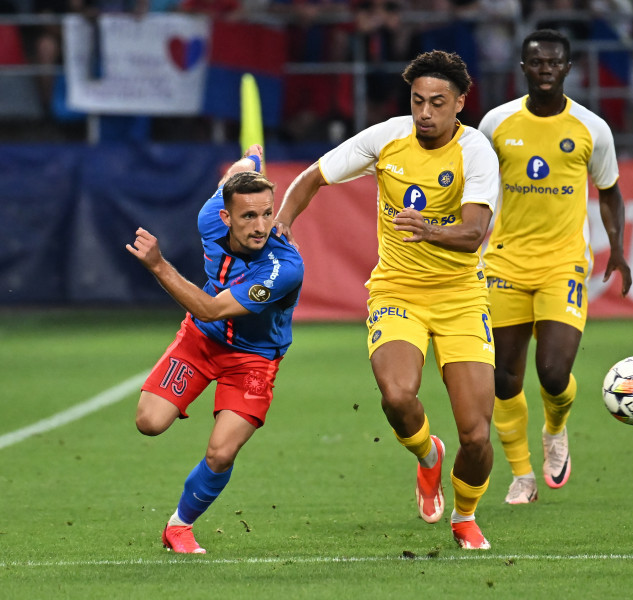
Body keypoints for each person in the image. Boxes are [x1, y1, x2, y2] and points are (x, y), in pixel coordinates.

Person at [274, 50, 500, 550]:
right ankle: (427, 457)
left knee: (478, 437)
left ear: (460, 103)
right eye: (418, 101)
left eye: (437, 103)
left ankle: (465, 517)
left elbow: (474, 234)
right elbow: (313, 177)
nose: (425, 112)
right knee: (398, 396)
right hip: (397, 289)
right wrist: (284, 220)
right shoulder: (387, 137)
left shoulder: (476, 152)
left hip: (461, 296)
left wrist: (430, 229)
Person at [477, 29, 632, 505]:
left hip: (563, 265)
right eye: (536, 62)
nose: (545, 69)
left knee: (552, 373)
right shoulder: (496, 123)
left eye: (554, 63)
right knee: (504, 377)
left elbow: (609, 193)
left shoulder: (591, 128)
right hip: (503, 261)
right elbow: (474, 184)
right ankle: (522, 474)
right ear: (523, 68)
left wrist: (618, 249)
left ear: (568, 68)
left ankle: (556, 429)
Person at [125, 145, 304, 553]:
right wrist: (249, 161)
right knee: (149, 421)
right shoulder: (209, 217)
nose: (261, 226)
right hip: (202, 340)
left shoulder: (283, 267)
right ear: (225, 217)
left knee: (222, 452)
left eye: (266, 213)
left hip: (254, 359)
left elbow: (210, 306)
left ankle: (179, 526)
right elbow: (233, 178)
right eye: (248, 216)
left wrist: (158, 265)